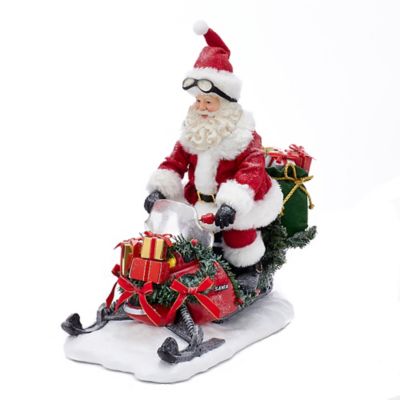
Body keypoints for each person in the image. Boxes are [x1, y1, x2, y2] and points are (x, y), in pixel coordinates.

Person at [144, 21, 283, 290]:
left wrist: (232, 203)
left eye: (208, 101)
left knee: (240, 239)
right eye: (198, 101)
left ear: (225, 102)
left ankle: (247, 272)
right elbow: (175, 161)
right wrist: (161, 189)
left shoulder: (244, 135)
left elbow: (252, 170)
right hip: (199, 202)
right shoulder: (193, 131)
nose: (202, 107)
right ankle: (185, 280)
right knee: (185, 242)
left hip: (239, 203)